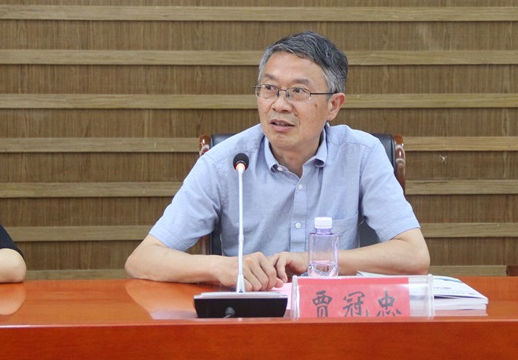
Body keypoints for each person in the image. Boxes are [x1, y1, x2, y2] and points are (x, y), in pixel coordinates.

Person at [126, 31, 430, 290]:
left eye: (298, 91)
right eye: (269, 89)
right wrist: (221, 267)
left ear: (333, 105)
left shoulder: (361, 155)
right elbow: (142, 259)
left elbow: (414, 256)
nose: (280, 105)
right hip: (251, 320)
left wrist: (313, 260)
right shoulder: (224, 163)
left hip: (332, 318)